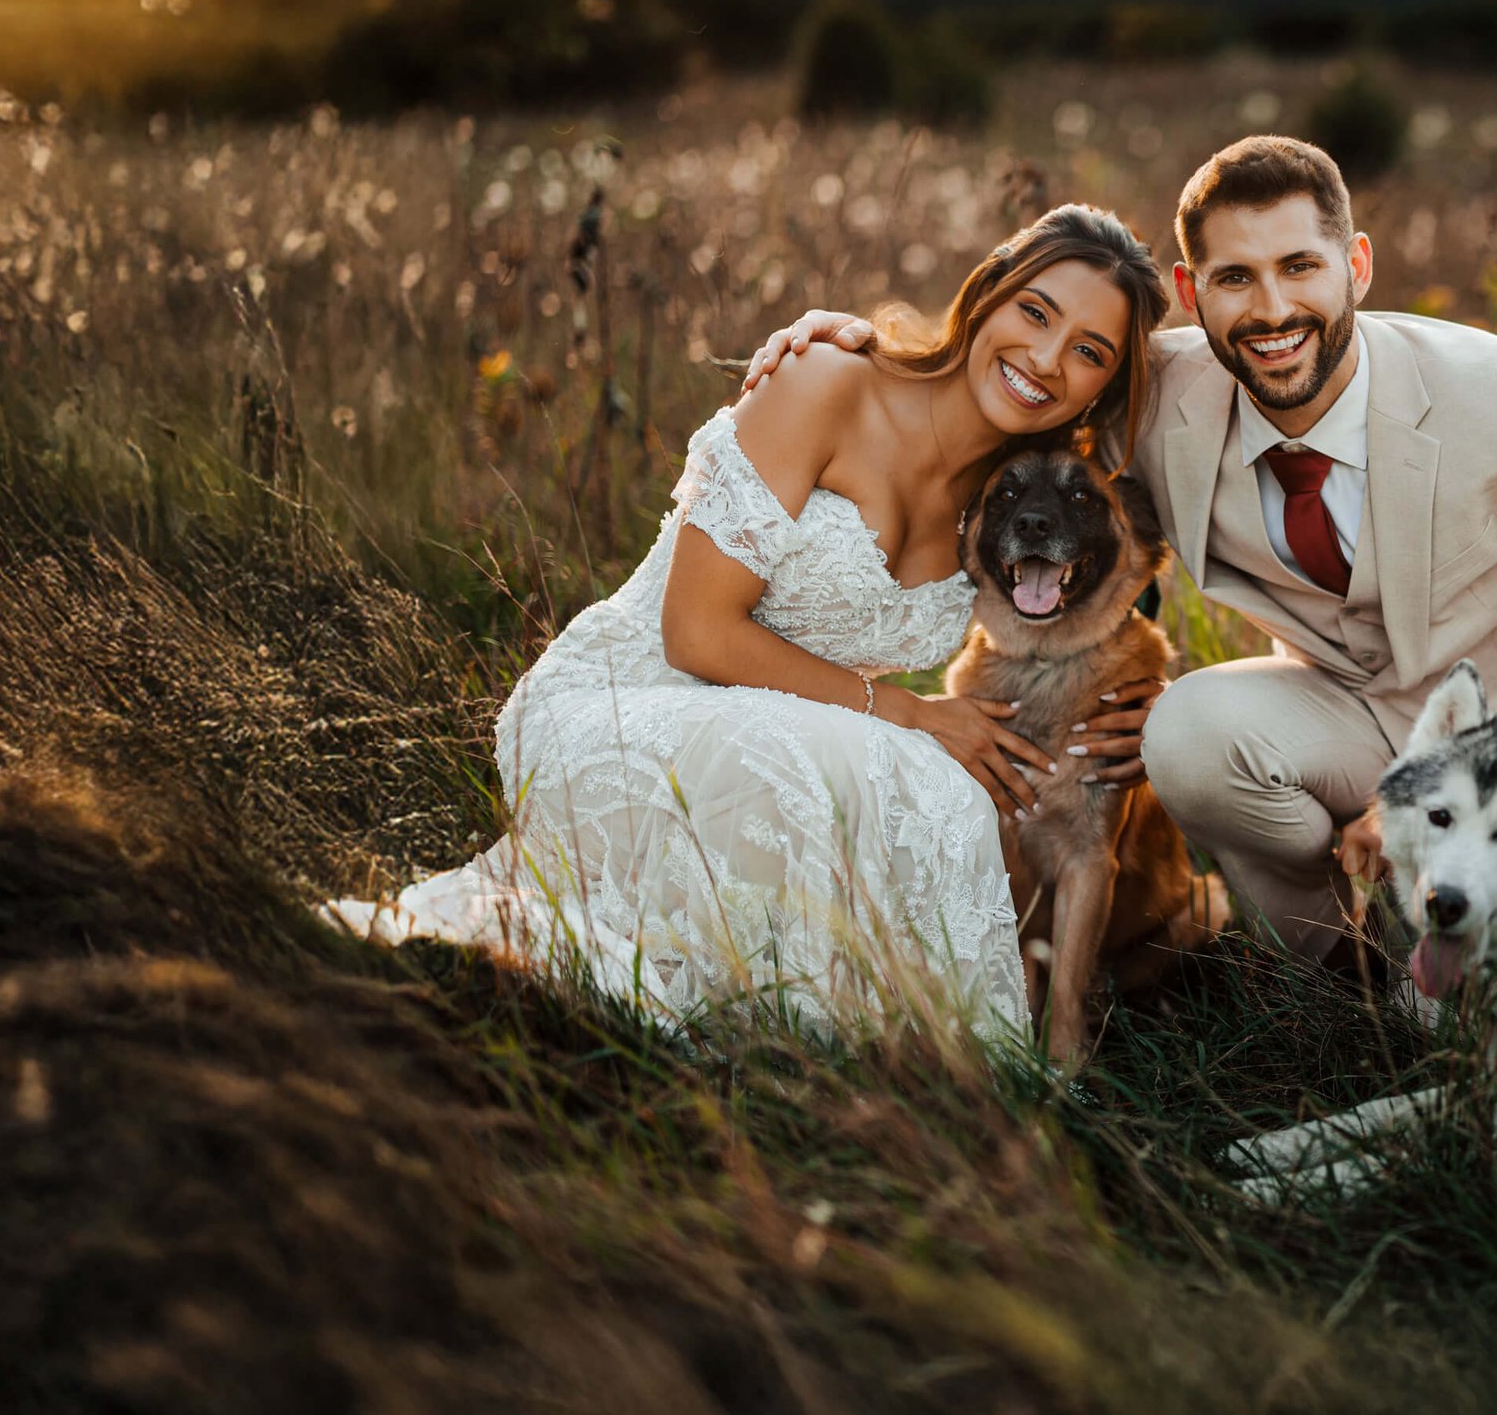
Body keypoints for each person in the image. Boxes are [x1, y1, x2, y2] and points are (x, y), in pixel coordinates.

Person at [742, 136, 1497, 968]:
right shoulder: (1156, 389)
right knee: (1187, 733)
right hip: (1337, 711)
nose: (1272, 310)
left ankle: (1447, 911)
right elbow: (1007, 387)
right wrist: (869, 353)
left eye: (1300, 267)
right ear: (1188, 293)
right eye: (1236, 279)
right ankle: (1337, 964)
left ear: (1357, 267)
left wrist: (1468, 784)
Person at [325, 205, 1170, 1040]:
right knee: (887, 768)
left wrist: (1151, 708)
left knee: (942, 801)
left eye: (1089, 352)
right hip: (637, 695)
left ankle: (852, 1053)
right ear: (986, 294)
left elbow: (1104, 581)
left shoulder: (1011, 494)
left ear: (1105, 386)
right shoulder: (829, 382)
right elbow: (694, 632)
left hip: (805, 725)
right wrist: (910, 711)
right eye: (1035, 312)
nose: (1047, 358)